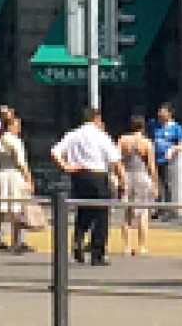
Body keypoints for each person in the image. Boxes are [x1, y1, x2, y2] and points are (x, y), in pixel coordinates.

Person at [52, 107, 124, 266]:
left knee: (83, 210)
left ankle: (78, 241)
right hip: (97, 175)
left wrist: (66, 167)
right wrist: (122, 180)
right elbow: (115, 160)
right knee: (101, 214)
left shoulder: (73, 134)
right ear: (97, 119)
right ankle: (97, 252)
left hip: (79, 175)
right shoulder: (101, 136)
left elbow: (55, 152)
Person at [0, 110, 36, 252]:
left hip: (1, 174)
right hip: (15, 174)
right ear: (11, 126)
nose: (19, 128)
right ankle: (16, 241)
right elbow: (21, 162)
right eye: (17, 125)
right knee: (17, 209)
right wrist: (29, 178)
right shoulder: (15, 141)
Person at [117, 114, 159, 254]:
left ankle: (127, 247)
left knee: (126, 214)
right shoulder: (147, 143)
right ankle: (142, 246)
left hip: (127, 176)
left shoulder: (123, 140)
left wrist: (120, 177)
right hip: (142, 177)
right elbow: (152, 166)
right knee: (143, 213)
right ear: (143, 127)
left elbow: (117, 160)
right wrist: (155, 184)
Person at [150, 103, 182, 216]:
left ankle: (168, 209)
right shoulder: (154, 125)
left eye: (163, 112)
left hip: (168, 160)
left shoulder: (176, 127)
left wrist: (172, 149)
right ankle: (158, 208)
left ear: (169, 113)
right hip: (154, 159)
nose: (160, 114)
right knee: (156, 183)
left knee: (167, 184)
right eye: (159, 112)